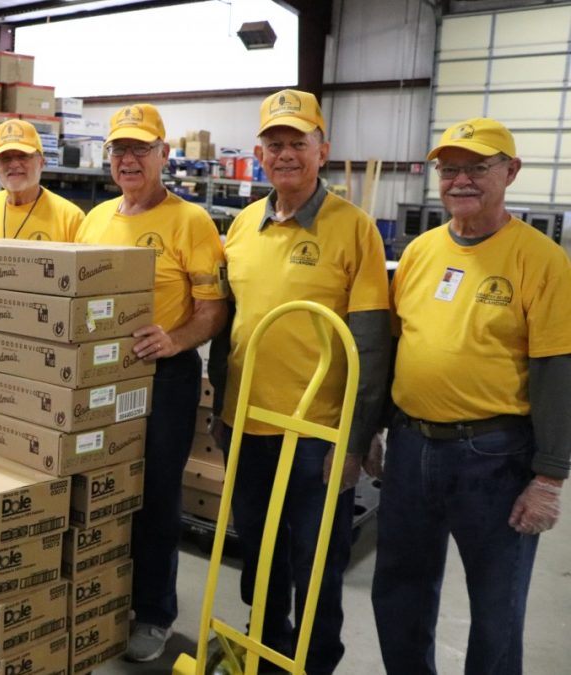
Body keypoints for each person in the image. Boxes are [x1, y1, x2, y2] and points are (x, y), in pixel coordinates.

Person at [369, 118, 570, 675]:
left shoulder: (542, 260)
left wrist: (549, 476)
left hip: (495, 457)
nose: (460, 180)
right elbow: (396, 345)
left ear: (510, 171)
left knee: (496, 606)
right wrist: (377, 430)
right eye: (449, 168)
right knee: (399, 591)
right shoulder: (418, 252)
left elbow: (556, 368)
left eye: (477, 167)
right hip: (411, 447)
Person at [207, 89, 390, 674]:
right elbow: (227, 327)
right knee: (258, 556)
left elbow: (369, 344)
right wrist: (221, 408)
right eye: (275, 144)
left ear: (322, 150)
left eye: (298, 143)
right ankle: (263, 647)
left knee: (316, 565)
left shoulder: (354, 229)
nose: (286, 154)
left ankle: (313, 662)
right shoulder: (239, 227)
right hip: (248, 425)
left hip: (318, 436)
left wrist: (357, 442)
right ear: (260, 153)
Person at [75, 103, 229, 662]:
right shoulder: (94, 220)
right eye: (120, 150)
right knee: (101, 486)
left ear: (164, 155)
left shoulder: (190, 222)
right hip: (100, 377)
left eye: (141, 149)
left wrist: (178, 338)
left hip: (164, 376)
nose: (129, 160)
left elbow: (213, 307)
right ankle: (105, 596)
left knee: (156, 493)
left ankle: (155, 610)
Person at [0, 118, 83, 241]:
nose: (14, 164)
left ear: (41, 162)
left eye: (22, 156)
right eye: (5, 158)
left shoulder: (70, 218)